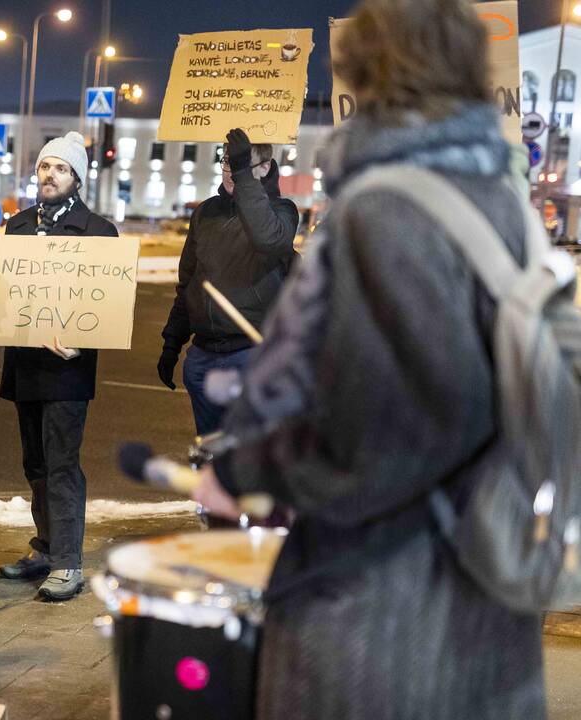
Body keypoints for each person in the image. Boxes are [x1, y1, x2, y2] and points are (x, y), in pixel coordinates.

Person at [192, 0, 546, 717]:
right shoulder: (500, 205)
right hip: (485, 597)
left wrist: (243, 470)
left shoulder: (386, 210)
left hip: (384, 614)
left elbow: (379, 429)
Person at [0, 132, 118, 601]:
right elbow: (8, 294)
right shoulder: (19, 226)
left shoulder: (98, 232)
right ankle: (45, 547)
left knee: (63, 465)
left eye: (61, 169)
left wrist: (82, 344)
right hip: (25, 365)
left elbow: (107, 304)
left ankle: (68, 563)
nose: (50, 175)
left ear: (77, 178)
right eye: (45, 167)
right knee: (35, 464)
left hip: (67, 371)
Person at [157, 133, 298, 435]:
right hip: (203, 358)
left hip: (250, 357)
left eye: (241, 164)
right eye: (226, 162)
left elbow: (268, 239)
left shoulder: (282, 211)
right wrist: (172, 343)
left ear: (265, 167)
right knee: (210, 455)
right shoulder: (206, 213)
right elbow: (189, 283)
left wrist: (243, 173)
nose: (232, 171)